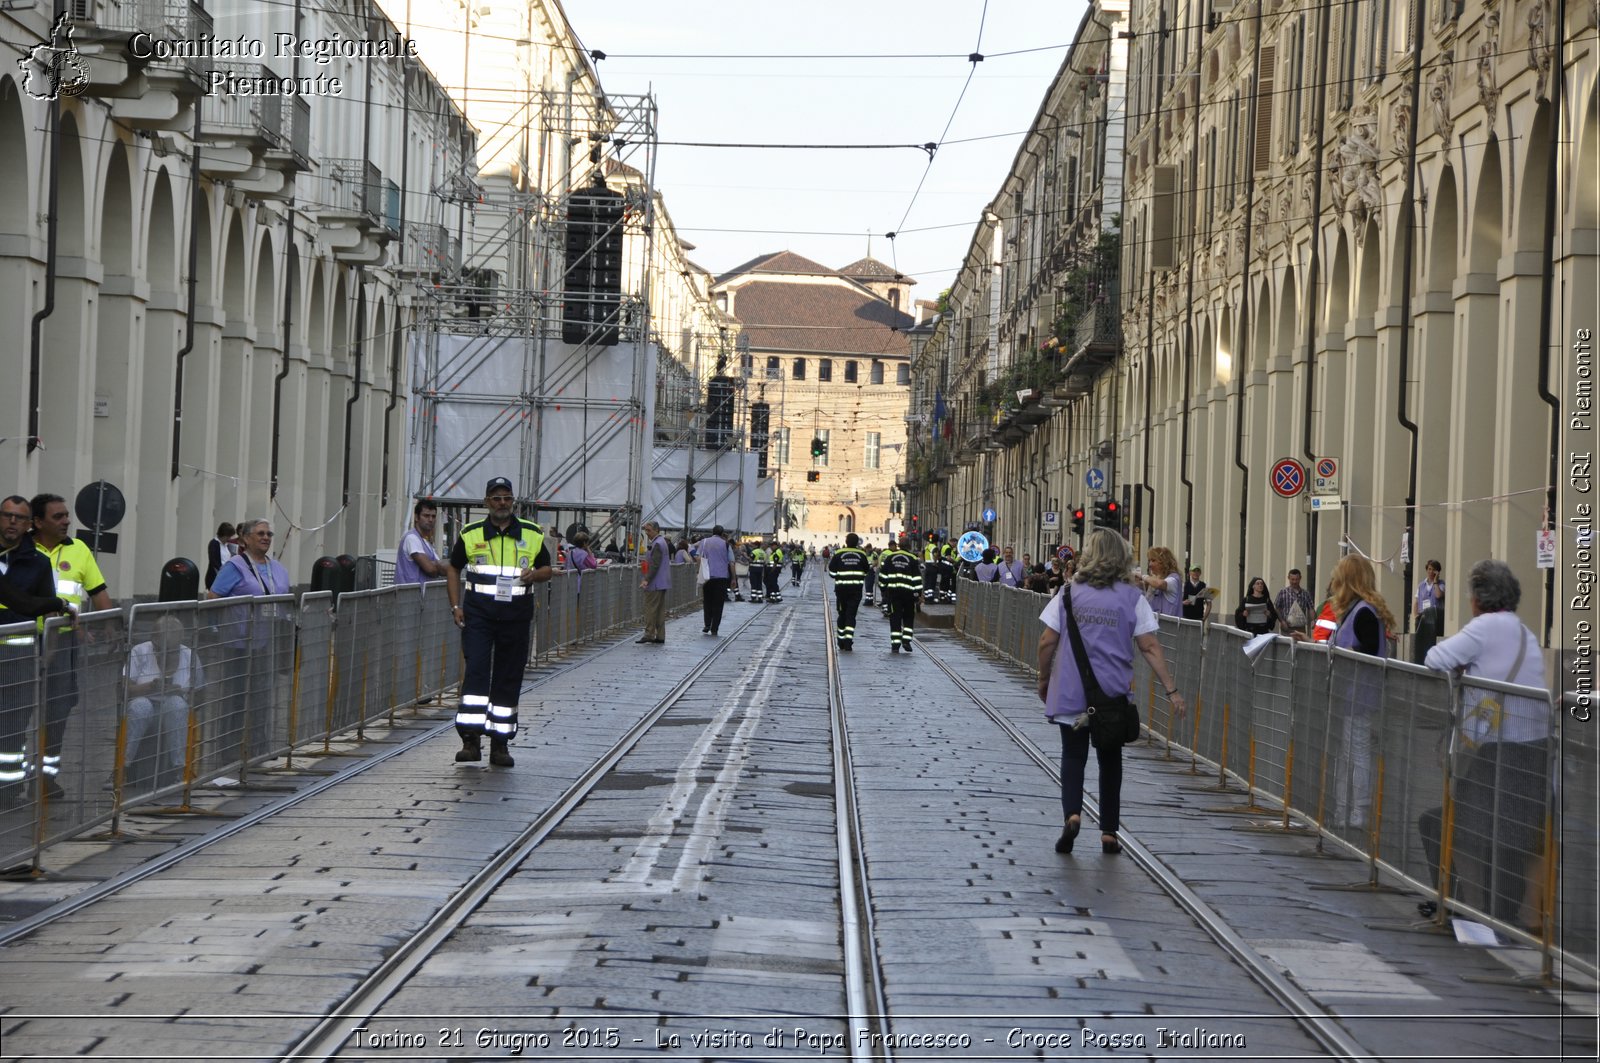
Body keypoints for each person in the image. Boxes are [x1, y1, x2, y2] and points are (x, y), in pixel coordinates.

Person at [1036, 529, 1185, 856]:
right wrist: (1171, 690)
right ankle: (1109, 834)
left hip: (1071, 692)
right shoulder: (1132, 598)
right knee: (1110, 760)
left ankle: (1073, 814)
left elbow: (1047, 641)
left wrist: (1044, 679)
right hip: (1113, 696)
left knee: (1073, 756)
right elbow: (1149, 646)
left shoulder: (1067, 593)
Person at [1419, 560, 1551, 924]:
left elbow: (1434, 658)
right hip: (1534, 751)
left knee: (1446, 824)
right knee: (1513, 836)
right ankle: (1507, 913)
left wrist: (1462, 666)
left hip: (1498, 753)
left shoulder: (1484, 627)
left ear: (1477, 598)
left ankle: (1467, 906)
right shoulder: (1524, 632)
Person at [445, 478, 553, 767]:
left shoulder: (531, 533)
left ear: (513, 502)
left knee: (508, 677)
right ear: (486, 502)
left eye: (506, 498)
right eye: (496, 498)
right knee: (477, 672)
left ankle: (499, 744)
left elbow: (548, 569)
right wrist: (456, 606)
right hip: (478, 616)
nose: (501, 503)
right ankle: (470, 740)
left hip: (516, 617)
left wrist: (535, 575)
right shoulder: (469, 533)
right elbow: (453, 569)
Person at [32, 492, 114, 796]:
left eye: (67, 515)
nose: (66, 521)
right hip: (24, 640)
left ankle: (46, 777)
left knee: (58, 711)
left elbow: (99, 592)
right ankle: (9, 781)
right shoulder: (23, 550)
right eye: (58, 516)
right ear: (38, 522)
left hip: (64, 643)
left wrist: (112, 625)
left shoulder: (79, 549)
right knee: (17, 711)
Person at [1315, 554, 1397, 830]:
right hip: (1349, 693)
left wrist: (1342, 652)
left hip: (1357, 694)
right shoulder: (1356, 609)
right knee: (1348, 752)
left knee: (1357, 752)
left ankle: (1357, 810)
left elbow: (1369, 651)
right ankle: (1345, 809)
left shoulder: (1363, 611)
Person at [0, 496, 69, 799]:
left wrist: (47, 655)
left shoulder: (37, 563)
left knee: (13, 724)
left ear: (29, 525)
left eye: (19, 518)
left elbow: (40, 610)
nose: (12, 522)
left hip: (19, 655)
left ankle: (8, 788)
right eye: (6, 516)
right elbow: (22, 602)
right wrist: (62, 604)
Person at [208, 517, 293, 761]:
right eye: (260, 533)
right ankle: (228, 751)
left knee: (263, 697)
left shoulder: (277, 567)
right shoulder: (235, 566)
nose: (266, 537)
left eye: (269, 534)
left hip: (267, 643)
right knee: (234, 698)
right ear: (245, 538)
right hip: (238, 644)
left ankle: (259, 748)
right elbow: (214, 597)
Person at [120, 615, 201, 789]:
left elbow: (200, 694)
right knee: (140, 706)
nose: (165, 654)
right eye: (161, 649)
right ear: (154, 642)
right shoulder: (139, 652)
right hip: (145, 706)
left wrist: (180, 693)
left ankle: (179, 770)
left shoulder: (189, 656)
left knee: (177, 705)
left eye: (172, 650)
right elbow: (124, 689)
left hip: (174, 711)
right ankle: (122, 768)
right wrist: (151, 687)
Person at [827, 533, 870, 651]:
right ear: (857, 543)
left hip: (841, 590)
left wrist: (839, 576)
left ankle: (841, 639)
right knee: (851, 615)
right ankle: (848, 641)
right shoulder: (862, 554)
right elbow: (866, 571)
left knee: (842, 614)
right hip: (856, 590)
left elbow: (831, 572)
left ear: (846, 542)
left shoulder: (839, 553)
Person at [878, 539, 922, 653]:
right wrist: (918, 594)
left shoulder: (890, 558)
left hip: (893, 593)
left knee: (895, 618)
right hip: (909, 594)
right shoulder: (912, 559)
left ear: (898, 546)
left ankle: (895, 644)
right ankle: (906, 641)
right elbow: (917, 578)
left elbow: (882, 575)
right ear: (909, 546)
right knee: (908, 617)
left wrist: (883, 589)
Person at [693, 525, 733, 636]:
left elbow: (697, 556)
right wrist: (734, 578)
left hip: (707, 577)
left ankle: (707, 624)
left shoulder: (704, 542)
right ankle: (715, 627)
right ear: (722, 533)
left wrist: (699, 570)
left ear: (712, 532)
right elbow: (732, 563)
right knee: (718, 604)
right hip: (721, 578)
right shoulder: (726, 544)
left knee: (708, 601)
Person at [395, 500, 446, 585]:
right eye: (426, 516)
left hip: (421, 596)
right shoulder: (412, 538)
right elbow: (431, 569)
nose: (430, 519)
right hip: (409, 596)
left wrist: (436, 565)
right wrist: (436, 566)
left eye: (433, 516)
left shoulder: (426, 542)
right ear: (416, 517)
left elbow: (441, 568)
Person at [638, 520, 671, 644]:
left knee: (650, 609)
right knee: (659, 610)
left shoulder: (657, 544)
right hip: (662, 582)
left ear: (657, 530)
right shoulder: (661, 542)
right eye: (645, 530)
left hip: (655, 583)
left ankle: (649, 634)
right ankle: (660, 635)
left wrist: (646, 579)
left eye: (649, 530)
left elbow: (655, 565)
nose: (646, 533)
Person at [1413, 558, 1446, 663]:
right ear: (1427, 570)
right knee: (1421, 644)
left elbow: (1438, 595)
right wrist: (1415, 615)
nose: (1431, 572)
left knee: (1431, 644)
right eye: (1430, 569)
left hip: (1434, 619)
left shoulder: (1441, 584)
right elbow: (1416, 601)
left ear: (1437, 572)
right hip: (1423, 618)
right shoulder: (1421, 585)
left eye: (1434, 570)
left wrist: (1435, 582)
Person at [1136, 546, 1183, 618]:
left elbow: (1159, 584)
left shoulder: (1174, 579)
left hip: (1168, 627)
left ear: (1164, 562)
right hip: (1154, 626)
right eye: (1149, 561)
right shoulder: (1154, 579)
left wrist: (1143, 576)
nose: (1150, 565)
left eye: (1153, 560)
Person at [1276, 568, 1314, 635]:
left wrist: (1313, 620)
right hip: (1287, 628)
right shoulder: (1282, 592)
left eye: (1296, 579)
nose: (1294, 582)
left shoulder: (1305, 593)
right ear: (1288, 578)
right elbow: (1277, 608)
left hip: (1301, 628)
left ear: (1300, 578)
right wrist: (1282, 621)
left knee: (1300, 645)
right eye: (1292, 579)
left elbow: (1311, 609)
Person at [205, 522, 236, 591]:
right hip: (217, 576)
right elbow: (214, 561)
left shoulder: (226, 545)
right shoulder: (214, 543)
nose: (229, 538)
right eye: (228, 536)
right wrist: (222, 571)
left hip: (226, 575)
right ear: (223, 535)